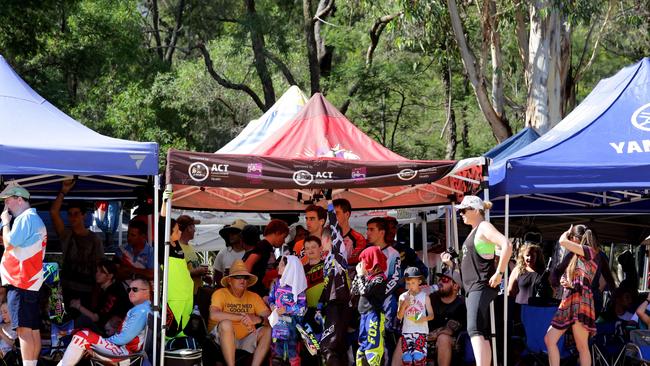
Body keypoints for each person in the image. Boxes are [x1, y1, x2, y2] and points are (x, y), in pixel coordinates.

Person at [443, 195, 512, 366]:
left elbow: (507, 245)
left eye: (464, 210)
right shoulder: (475, 230)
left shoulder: (484, 227)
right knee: (480, 331)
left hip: (480, 286)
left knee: (474, 329)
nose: (461, 214)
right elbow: (468, 269)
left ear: (475, 210)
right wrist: (451, 264)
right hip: (474, 287)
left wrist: (500, 272)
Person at [56, 277, 152, 366]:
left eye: (135, 289)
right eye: (129, 289)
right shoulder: (144, 308)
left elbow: (124, 338)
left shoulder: (142, 310)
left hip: (126, 355)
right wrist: (98, 344)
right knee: (83, 333)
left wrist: (99, 343)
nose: (130, 292)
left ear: (147, 292)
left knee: (83, 335)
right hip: (125, 352)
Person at [0, 184, 47, 366]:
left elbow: (9, 242)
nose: (6, 206)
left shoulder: (26, 218)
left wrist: (5, 222)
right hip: (29, 282)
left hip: (21, 282)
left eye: (8, 201)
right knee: (32, 330)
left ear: (19, 199)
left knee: (24, 331)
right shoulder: (33, 219)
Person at [544, 224, 599, 366]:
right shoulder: (574, 256)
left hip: (580, 302)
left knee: (582, 347)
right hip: (569, 300)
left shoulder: (589, 251)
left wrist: (566, 233)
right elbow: (575, 278)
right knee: (549, 339)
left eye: (571, 238)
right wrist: (565, 281)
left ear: (575, 238)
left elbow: (562, 240)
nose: (569, 240)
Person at [50, 179, 104, 310]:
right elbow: (53, 212)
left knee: (82, 327)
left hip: (86, 290)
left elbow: (100, 266)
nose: (72, 217)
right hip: (64, 287)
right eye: (70, 214)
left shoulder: (95, 239)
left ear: (84, 215)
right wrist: (63, 191)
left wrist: (97, 292)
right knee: (59, 322)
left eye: (76, 214)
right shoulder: (66, 234)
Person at [208, 259, 271, 366]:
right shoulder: (220, 294)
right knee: (226, 323)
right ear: (229, 281)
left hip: (245, 338)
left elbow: (271, 318)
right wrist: (242, 317)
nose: (242, 280)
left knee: (268, 330)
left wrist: (258, 319)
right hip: (220, 340)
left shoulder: (254, 296)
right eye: (238, 277)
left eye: (245, 277)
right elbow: (214, 314)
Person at [366, 217, 402, 362]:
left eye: (371, 229)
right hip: (368, 303)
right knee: (370, 338)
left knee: (386, 336)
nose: (367, 233)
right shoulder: (367, 252)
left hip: (386, 303)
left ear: (381, 232)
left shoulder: (393, 253)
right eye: (367, 229)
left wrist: (380, 295)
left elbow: (395, 278)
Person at [70, 259, 130, 333]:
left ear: (110, 276)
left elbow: (96, 318)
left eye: (102, 272)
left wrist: (78, 306)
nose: (97, 274)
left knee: (83, 319)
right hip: (105, 327)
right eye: (97, 271)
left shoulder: (114, 292)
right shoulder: (104, 288)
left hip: (111, 332)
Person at [268, 255, 308, 366]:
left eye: (281, 265)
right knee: (276, 351)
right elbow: (271, 298)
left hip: (292, 324)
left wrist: (287, 309)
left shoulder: (298, 286)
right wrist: (271, 305)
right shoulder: (277, 283)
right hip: (278, 323)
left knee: (292, 350)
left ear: (290, 268)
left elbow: (302, 308)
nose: (278, 268)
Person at [351, 246, 388, 366]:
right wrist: (358, 275)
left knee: (373, 347)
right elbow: (354, 291)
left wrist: (362, 275)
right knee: (362, 346)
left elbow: (364, 291)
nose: (362, 264)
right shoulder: (367, 278)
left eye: (364, 261)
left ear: (372, 261)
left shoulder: (380, 279)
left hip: (374, 316)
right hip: (363, 315)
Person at [161, 217, 194, 337]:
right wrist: (166, 201)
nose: (180, 232)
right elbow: (162, 220)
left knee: (182, 327)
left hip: (187, 294)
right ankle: (166, 349)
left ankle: (179, 343)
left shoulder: (177, 245)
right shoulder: (163, 247)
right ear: (167, 234)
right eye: (177, 231)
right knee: (170, 330)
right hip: (174, 296)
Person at [397, 267, 434, 366]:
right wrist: (404, 304)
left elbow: (431, 315)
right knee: (407, 359)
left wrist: (423, 318)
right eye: (408, 283)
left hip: (421, 331)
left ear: (419, 281)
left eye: (413, 283)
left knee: (419, 358)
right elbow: (399, 316)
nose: (410, 286)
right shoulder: (402, 297)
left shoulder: (425, 297)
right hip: (406, 331)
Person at [243, 220, 289, 297]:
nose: (283, 241)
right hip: (255, 293)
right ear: (277, 233)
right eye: (283, 237)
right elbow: (248, 264)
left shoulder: (266, 247)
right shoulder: (263, 246)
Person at [176, 215, 210, 294]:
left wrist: (203, 277)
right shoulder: (177, 249)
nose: (195, 230)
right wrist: (196, 272)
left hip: (196, 293)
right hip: (186, 295)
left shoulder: (189, 247)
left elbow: (192, 268)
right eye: (193, 227)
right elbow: (178, 275)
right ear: (188, 228)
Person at [333, 198, 367, 268]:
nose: (332, 217)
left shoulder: (358, 238)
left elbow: (356, 259)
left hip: (350, 276)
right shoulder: (326, 237)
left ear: (347, 214)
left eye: (336, 213)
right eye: (331, 214)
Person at [213, 219, 248, 286]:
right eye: (229, 232)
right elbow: (217, 277)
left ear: (243, 235)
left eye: (234, 232)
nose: (230, 235)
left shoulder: (250, 253)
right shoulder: (222, 253)